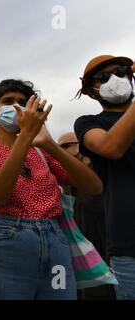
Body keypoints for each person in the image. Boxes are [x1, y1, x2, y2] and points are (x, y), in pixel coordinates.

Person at [0, 79, 103, 300]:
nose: (17, 107)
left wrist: (49, 144)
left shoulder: (42, 151)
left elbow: (94, 186)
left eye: (23, 102)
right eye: (8, 101)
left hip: (55, 242)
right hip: (8, 241)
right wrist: (26, 137)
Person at [74, 55, 135, 300]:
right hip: (129, 247)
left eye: (121, 71)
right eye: (103, 77)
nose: (115, 79)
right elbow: (111, 147)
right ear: (91, 91)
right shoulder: (89, 123)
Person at [58, 132, 115, 300]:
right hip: (82, 251)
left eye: (64, 147)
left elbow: (94, 201)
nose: (60, 152)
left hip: (105, 246)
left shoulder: (97, 169)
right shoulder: (66, 175)